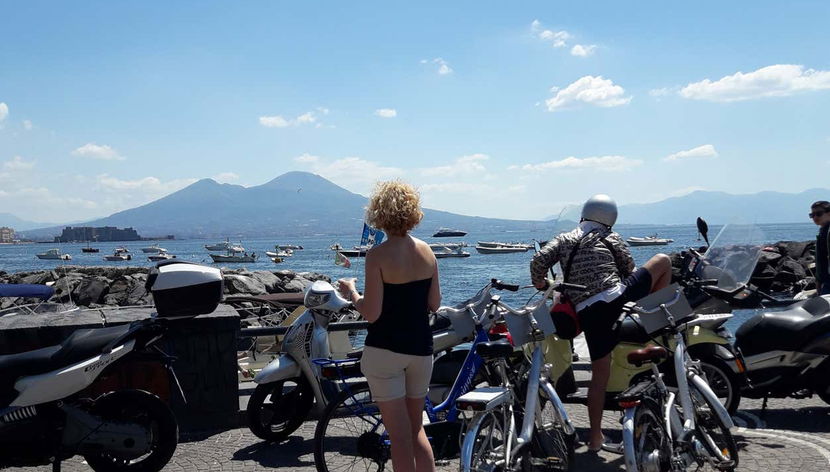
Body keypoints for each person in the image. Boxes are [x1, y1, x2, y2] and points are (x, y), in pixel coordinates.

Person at [530, 194, 672, 452]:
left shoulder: (563, 239)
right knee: (663, 260)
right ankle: (651, 316)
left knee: (599, 377)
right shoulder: (611, 237)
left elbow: (538, 262)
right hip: (615, 297)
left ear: (584, 214)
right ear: (611, 217)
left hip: (588, 312)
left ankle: (595, 439)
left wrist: (541, 284)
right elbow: (629, 269)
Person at [337, 180, 440, 472]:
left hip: (386, 351)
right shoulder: (428, 252)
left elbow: (372, 312)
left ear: (379, 214)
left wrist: (351, 293)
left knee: (399, 437)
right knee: (416, 429)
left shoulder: (377, 255)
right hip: (421, 350)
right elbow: (434, 303)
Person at [810, 200, 830, 296]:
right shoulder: (823, 232)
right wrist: (818, 280)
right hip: (826, 279)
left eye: (818, 214)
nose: (815, 217)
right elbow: (820, 260)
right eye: (812, 215)